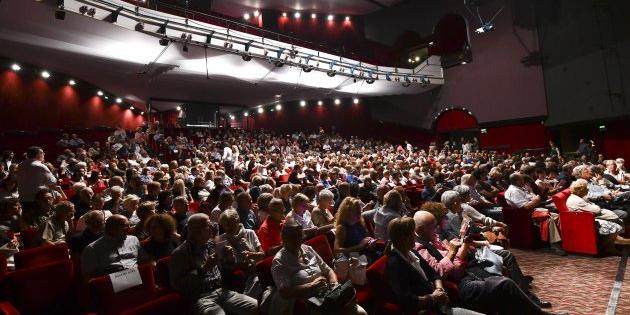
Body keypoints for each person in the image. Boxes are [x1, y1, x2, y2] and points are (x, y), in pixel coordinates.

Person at [413, 210, 558, 314]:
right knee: (504, 283)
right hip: (459, 284)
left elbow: (456, 262)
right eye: (433, 226)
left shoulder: (433, 238)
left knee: (502, 277)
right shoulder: (420, 247)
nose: (437, 229)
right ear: (420, 229)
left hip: (465, 271)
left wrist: (461, 247)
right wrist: (454, 251)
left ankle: (532, 304)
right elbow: (441, 272)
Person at [384, 217, 481, 315]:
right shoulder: (395, 265)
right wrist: (433, 297)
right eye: (411, 234)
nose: (414, 236)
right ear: (402, 239)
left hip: (440, 302)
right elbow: (407, 301)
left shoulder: (411, 252)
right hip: (428, 310)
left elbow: (433, 273)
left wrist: (439, 289)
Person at [270, 219, 367, 315]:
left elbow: (328, 270)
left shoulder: (307, 249)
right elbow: (284, 292)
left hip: (328, 293)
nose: (297, 239)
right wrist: (312, 285)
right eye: (292, 237)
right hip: (309, 301)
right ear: (284, 238)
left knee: (361, 312)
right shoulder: (280, 261)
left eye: (299, 235)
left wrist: (334, 283)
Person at [169, 213, 258, 315]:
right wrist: (204, 269)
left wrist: (229, 259)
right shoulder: (180, 254)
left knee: (256, 306)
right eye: (208, 226)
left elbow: (225, 271)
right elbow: (178, 285)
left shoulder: (211, 245)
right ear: (197, 231)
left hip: (222, 291)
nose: (212, 228)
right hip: (202, 297)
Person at [504, 174, 565, 255]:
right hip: (526, 214)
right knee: (548, 219)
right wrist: (537, 199)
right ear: (517, 181)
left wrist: (535, 198)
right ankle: (554, 243)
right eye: (522, 179)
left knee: (558, 216)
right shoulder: (513, 191)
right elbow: (526, 206)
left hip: (535, 209)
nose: (524, 181)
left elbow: (531, 197)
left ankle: (562, 240)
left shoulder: (520, 187)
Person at [566, 179, 630, 254]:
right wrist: (595, 206)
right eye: (586, 188)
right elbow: (596, 210)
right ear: (581, 190)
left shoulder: (579, 197)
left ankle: (610, 246)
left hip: (589, 218)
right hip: (585, 221)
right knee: (616, 225)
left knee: (619, 219)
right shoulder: (576, 200)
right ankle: (603, 247)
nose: (587, 190)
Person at [81, 215, 149, 279]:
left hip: (136, 278)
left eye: (129, 226)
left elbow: (144, 260)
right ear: (111, 229)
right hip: (110, 284)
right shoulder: (92, 249)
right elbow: (89, 277)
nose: (129, 229)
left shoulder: (133, 239)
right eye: (125, 226)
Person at [216, 209, 265, 297]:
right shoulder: (221, 240)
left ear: (238, 220)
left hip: (254, 271)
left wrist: (251, 255)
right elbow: (223, 269)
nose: (228, 227)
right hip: (238, 277)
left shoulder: (250, 233)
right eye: (225, 225)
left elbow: (262, 255)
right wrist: (239, 265)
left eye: (231, 223)